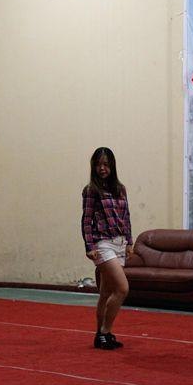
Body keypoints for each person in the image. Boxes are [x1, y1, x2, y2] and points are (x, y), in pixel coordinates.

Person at [81, 147, 132, 350]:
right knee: (122, 288)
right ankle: (105, 331)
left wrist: (129, 241)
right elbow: (86, 220)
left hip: (120, 243)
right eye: (98, 164)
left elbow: (126, 217)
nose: (102, 168)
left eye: (106, 164)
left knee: (105, 293)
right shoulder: (91, 190)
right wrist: (89, 246)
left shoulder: (120, 189)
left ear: (112, 166)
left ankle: (100, 336)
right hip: (102, 243)